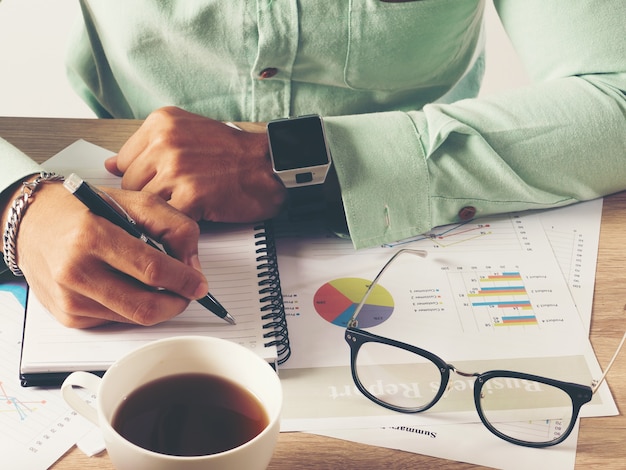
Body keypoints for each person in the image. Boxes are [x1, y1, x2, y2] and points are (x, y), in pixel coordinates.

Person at [1, 1, 625, 328]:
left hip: (442, 226)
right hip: (121, 216)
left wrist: (304, 161)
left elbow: (616, 96)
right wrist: (16, 208)